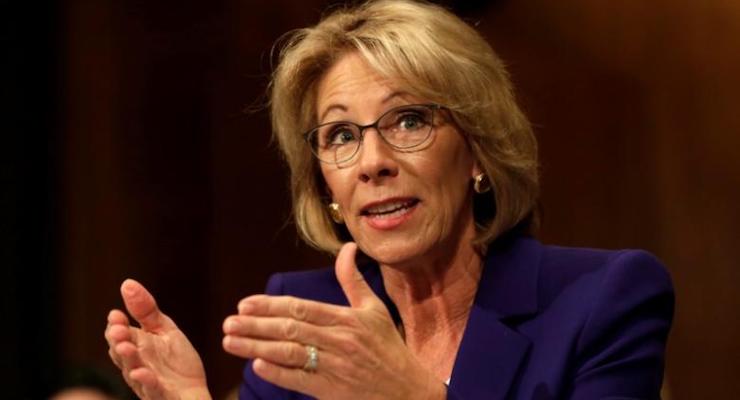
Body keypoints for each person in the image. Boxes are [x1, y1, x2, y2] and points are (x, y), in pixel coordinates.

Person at [104, 0, 674, 399]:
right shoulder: (308, 317)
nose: (373, 162)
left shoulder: (601, 300)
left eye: (408, 120)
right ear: (325, 185)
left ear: (478, 153)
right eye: (342, 135)